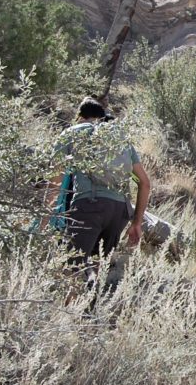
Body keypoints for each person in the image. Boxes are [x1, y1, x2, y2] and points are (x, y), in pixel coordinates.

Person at [49, 97, 150, 279]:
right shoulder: (119, 139)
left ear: (79, 116)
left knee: (71, 269)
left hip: (89, 206)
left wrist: (46, 215)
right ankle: (91, 303)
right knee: (96, 267)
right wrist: (136, 223)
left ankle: (73, 305)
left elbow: (55, 180)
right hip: (119, 211)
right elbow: (145, 182)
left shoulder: (71, 133)